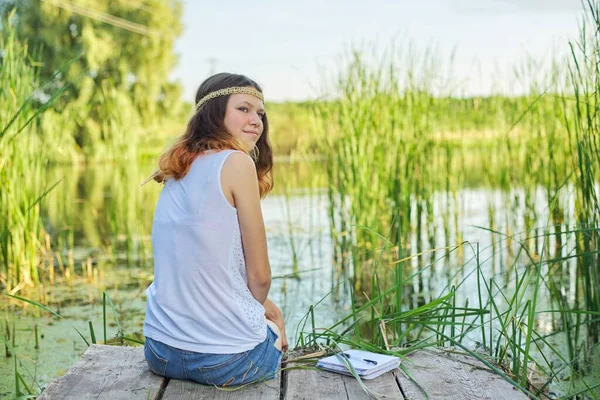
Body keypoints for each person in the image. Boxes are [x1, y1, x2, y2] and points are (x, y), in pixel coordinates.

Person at [142, 72, 287, 387]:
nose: (256, 121)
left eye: (260, 113)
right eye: (244, 109)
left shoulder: (176, 167)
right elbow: (260, 278)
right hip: (226, 362)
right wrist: (265, 309)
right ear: (214, 112)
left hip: (160, 351)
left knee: (260, 313)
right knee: (277, 329)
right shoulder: (237, 163)